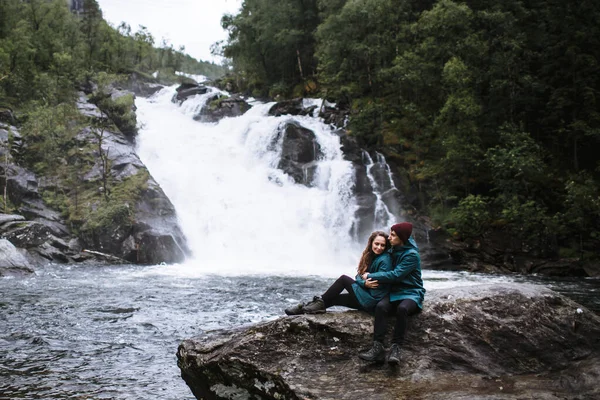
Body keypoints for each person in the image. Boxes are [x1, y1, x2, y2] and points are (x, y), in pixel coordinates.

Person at [358, 222, 425, 365]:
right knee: (381, 307)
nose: (389, 238)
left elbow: (396, 275)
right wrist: (362, 279)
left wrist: (371, 276)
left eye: (393, 235)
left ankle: (396, 347)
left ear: (401, 237)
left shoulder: (412, 255)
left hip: (411, 292)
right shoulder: (392, 250)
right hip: (394, 291)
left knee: (402, 309)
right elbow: (363, 271)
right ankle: (378, 347)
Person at [284, 231, 393, 315]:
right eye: (376, 244)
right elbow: (359, 276)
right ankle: (304, 309)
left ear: (386, 246)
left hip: (371, 300)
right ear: (371, 243)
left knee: (343, 279)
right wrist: (363, 282)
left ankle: (313, 303)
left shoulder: (385, 260)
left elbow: (377, 283)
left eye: (382, 245)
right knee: (333, 298)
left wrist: (363, 282)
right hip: (365, 296)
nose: (379, 247)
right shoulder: (370, 256)